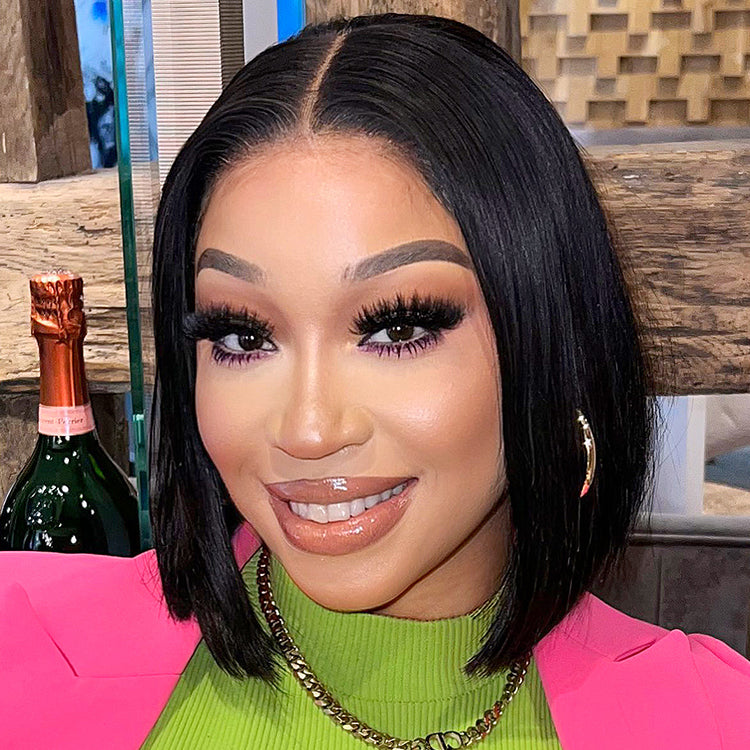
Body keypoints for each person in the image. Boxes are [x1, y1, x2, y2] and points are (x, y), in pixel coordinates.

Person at [1, 13, 749, 750]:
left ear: (550, 337)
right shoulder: (25, 654)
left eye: (397, 328)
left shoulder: (713, 720)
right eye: (243, 336)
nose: (308, 429)